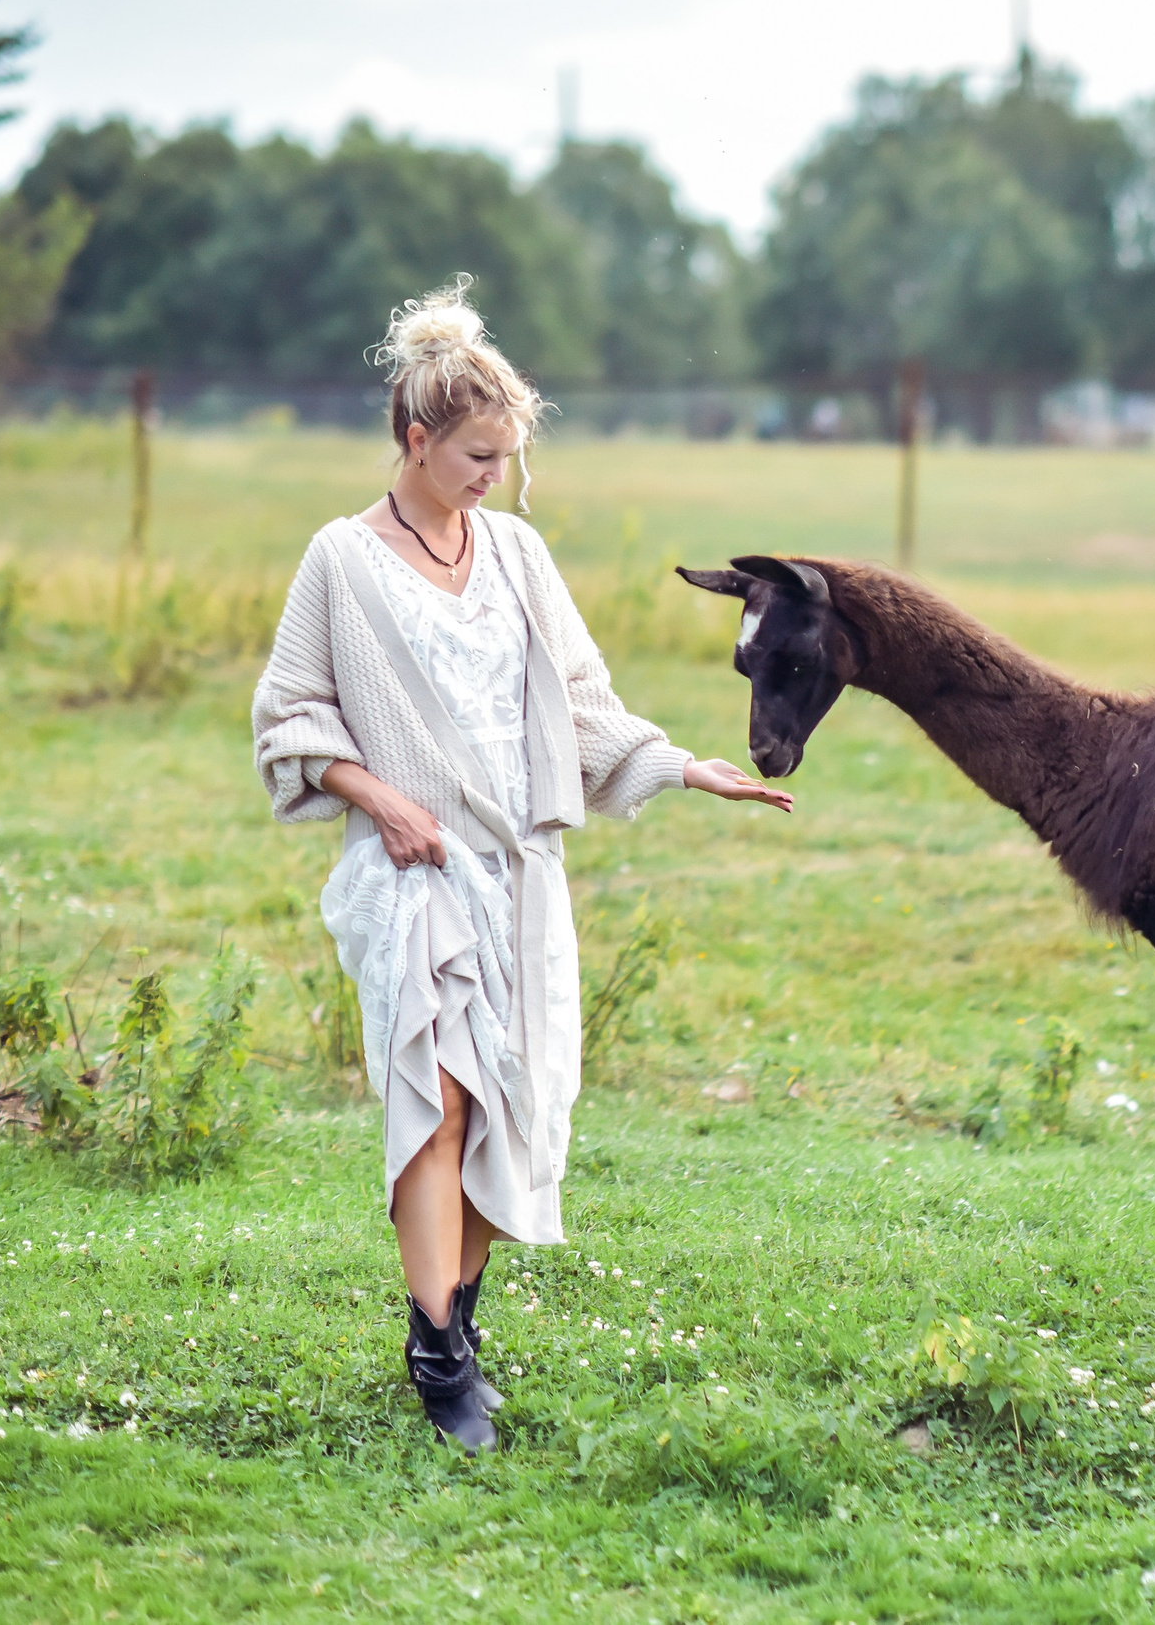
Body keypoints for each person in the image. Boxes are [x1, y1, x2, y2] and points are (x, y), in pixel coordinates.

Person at [251, 279, 791, 1451]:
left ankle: (458, 1325)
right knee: (435, 1100)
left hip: (519, 877)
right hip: (413, 877)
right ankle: (439, 1363)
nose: (495, 473)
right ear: (416, 439)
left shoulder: (518, 557)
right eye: (477, 453)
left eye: (507, 454)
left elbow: (582, 704)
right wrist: (378, 796)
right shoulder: (340, 563)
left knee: (511, 1109)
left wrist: (683, 764)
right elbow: (289, 714)